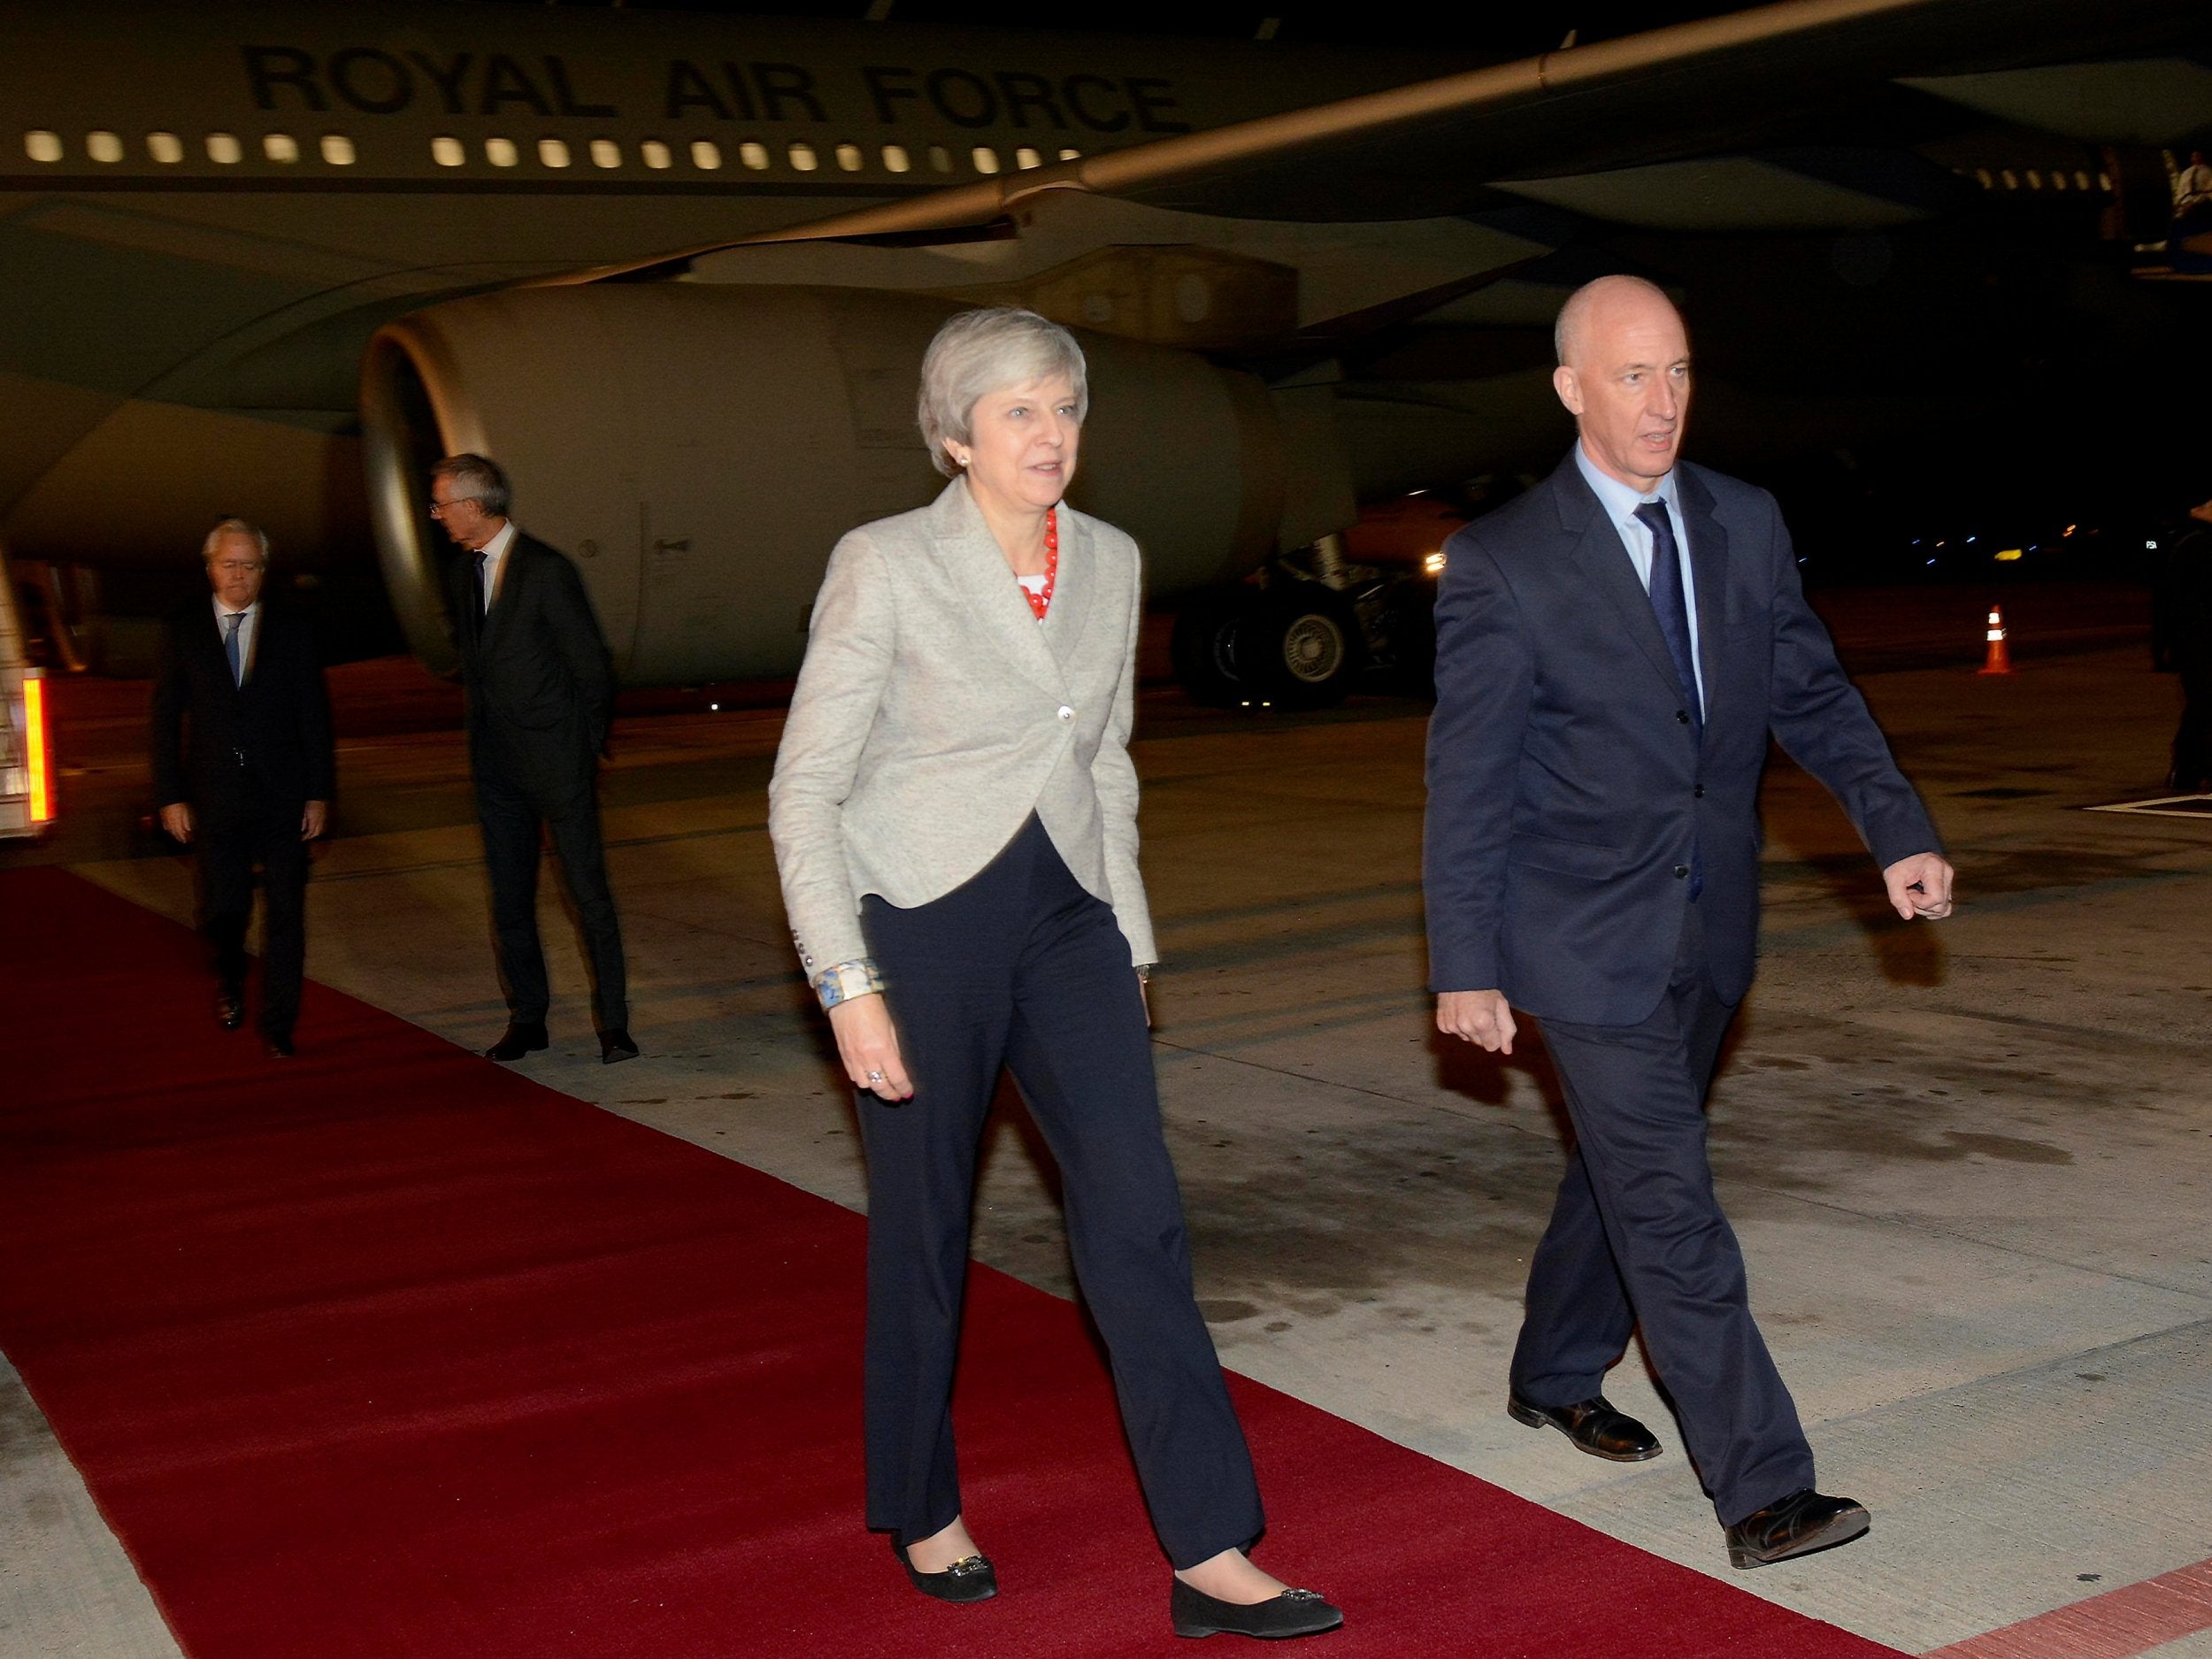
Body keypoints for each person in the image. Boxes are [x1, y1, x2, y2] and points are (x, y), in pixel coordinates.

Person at [768, 308, 1340, 1641]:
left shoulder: (1116, 561)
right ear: (957, 435)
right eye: (1016, 410)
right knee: (925, 1233)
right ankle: (918, 1500)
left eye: (1064, 408)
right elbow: (806, 788)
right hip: (922, 922)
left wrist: (1132, 936)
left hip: (1070, 921)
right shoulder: (888, 562)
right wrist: (844, 978)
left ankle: (1211, 1546)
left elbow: (1110, 765)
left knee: (1140, 1217)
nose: (1049, 434)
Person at [1423, 275, 1955, 1571]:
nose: (1661, 403)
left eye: (1677, 372)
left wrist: (1898, 826)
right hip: (1579, 940)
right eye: (1630, 377)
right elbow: (1470, 777)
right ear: (1570, 391)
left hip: (1710, 928)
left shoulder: (1743, 520)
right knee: (1671, 1205)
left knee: (1622, 1165)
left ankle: (1555, 1368)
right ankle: (1765, 1485)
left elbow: (1811, 691)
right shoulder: (1505, 560)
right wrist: (1466, 963)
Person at [432, 453, 637, 1065]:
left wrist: (582, 749)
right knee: (509, 895)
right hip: (496, 765)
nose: (435, 514)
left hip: (556, 761)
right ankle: (528, 1017)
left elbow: (590, 667)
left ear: (474, 506)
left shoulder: (546, 570)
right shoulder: (462, 574)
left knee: (587, 895)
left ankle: (615, 1025)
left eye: (442, 503)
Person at [150, 518, 333, 1058]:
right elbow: (165, 718)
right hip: (213, 796)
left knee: (286, 914)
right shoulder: (183, 629)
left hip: (283, 796)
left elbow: (314, 717)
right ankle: (229, 973)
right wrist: (169, 793)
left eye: (250, 566)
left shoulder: (293, 631)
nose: (239, 576)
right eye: (229, 564)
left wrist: (320, 793)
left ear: (263, 571)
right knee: (223, 910)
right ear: (210, 568)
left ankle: (279, 1022)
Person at [2151, 497, 2212, 794]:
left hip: (2195, 636)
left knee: (2203, 704)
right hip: (2198, 638)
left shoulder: (2194, 540)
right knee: (2204, 703)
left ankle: (2195, 765)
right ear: (2198, 510)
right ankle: (2187, 768)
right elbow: (2178, 599)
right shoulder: (2195, 543)